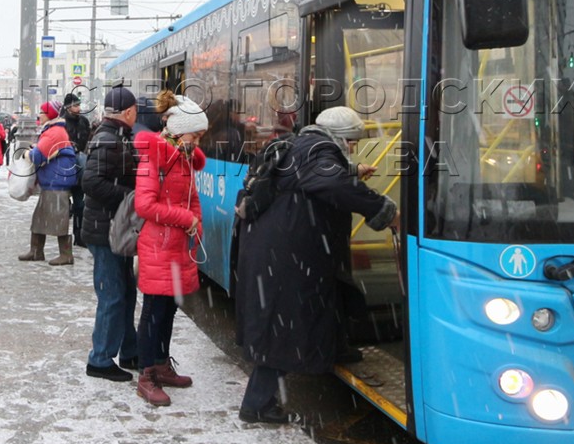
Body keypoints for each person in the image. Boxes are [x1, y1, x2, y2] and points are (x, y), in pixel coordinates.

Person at [234, 107, 397, 425]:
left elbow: (317, 174)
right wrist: (386, 212)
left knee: (294, 317)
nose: (353, 147)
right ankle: (257, 405)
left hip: (278, 251)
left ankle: (335, 348)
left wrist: (351, 169)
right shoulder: (319, 150)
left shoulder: (303, 144)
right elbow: (332, 183)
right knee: (282, 329)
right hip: (286, 256)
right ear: (338, 137)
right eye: (351, 141)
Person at [131, 93, 207, 407]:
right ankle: (146, 375)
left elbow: (192, 198)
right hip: (158, 246)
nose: (198, 142)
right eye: (195, 135)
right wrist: (186, 219)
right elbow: (144, 205)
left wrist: (196, 224)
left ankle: (161, 364)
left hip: (177, 247)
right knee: (153, 312)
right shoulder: (154, 159)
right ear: (178, 130)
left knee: (169, 309)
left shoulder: (183, 157)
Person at [78, 86, 140, 382]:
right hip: (105, 231)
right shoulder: (107, 139)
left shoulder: (116, 136)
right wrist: (130, 197)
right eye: (135, 110)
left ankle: (129, 350)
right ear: (127, 112)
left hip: (114, 229)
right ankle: (100, 359)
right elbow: (91, 182)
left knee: (125, 293)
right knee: (113, 295)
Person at [19, 101, 78, 266]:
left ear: (50, 115)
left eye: (42, 112)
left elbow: (38, 156)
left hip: (57, 182)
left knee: (59, 219)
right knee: (40, 217)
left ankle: (66, 255)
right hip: (53, 181)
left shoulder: (53, 132)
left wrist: (27, 154)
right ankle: (36, 251)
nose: (39, 115)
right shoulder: (54, 130)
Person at [61, 92, 91, 237]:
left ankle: (78, 235)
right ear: (68, 107)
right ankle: (62, 236)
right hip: (65, 167)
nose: (79, 108)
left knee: (80, 203)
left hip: (80, 166)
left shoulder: (83, 121)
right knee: (63, 203)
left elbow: (88, 140)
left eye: (79, 105)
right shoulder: (61, 123)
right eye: (76, 105)